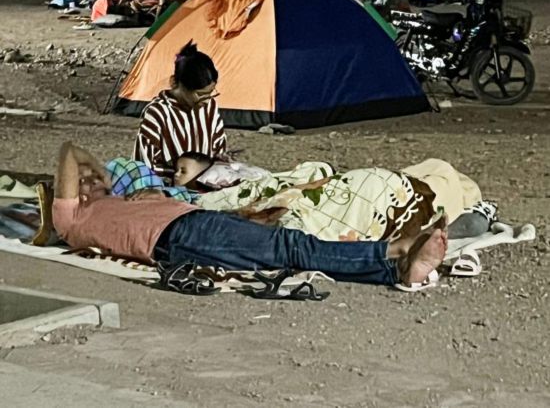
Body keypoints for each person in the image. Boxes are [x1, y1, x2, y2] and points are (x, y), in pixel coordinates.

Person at [52, 142, 448, 288]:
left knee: (286, 249)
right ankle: (393, 253)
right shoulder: (72, 221)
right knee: (291, 247)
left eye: (92, 178)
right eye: (83, 181)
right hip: (179, 236)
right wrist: (95, 168)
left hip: (193, 223)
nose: (91, 181)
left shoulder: (125, 201)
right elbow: (68, 151)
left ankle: (394, 269)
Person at [133, 41, 227, 175]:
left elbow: (218, 148)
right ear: (176, 83)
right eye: (200, 94)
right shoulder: (158, 113)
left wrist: (221, 160)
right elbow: (146, 167)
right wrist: (184, 175)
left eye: (210, 93)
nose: (206, 100)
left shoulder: (209, 107)